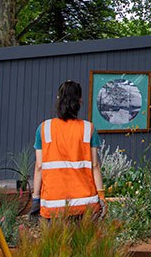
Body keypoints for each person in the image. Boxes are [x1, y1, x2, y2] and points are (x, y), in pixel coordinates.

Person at [30, 80, 105, 219]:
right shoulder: (88, 128)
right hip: (86, 205)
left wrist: (36, 198)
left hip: (53, 206)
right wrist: (101, 196)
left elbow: (39, 166)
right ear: (80, 100)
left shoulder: (44, 129)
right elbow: (95, 165)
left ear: (58, 99)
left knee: (55, 241)